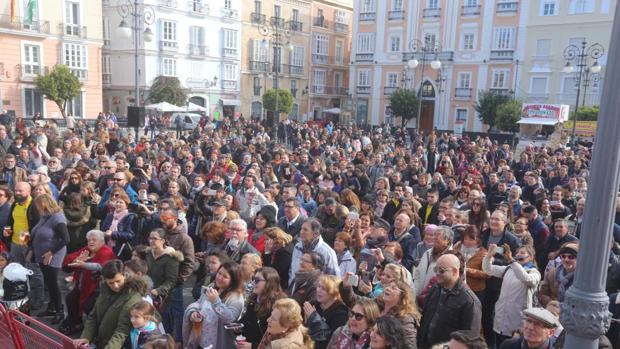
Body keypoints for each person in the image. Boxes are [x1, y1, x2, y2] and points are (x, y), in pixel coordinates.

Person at [74, 259, 148, 349]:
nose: (115, 286)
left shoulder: (133, 298)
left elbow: (122, 330)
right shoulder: (105, 290)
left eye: (118, 281)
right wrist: (86, 337)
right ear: (105, 280)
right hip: (99, 342)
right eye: (111, 283)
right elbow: (94, 316)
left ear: (125, 275)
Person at [417, 254, 482, 349]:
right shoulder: (435, 289)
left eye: (442, 270)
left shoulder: (469, 301)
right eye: (436, 270)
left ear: (455, 271)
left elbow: (470, 337)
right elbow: (425, 319)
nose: (437, 273)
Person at [482, 244, 541, 347]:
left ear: (531, 257)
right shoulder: (509, 268)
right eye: (517, 252)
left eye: (522, 253)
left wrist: (511, 260)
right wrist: (489, 255)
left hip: (517, 322)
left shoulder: (534, 272)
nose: (518, 255)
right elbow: (487, 269)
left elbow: (525, 278)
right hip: (500, 318)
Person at [60, 229, 116, 335]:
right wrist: (76, 260)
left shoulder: (106, 251)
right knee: (70, 298)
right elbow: (71, 258)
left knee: (87, 306)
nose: (91, 242)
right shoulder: (87, 250)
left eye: (94, 240)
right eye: (89, 240)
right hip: (82, 285)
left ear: (102, 241)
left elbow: (101, 266)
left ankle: (89, 330)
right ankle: (75, 322)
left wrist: (83, 264)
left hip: (98, 288)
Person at [182, 261, 244, 349]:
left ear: (233, 280)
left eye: (225, 276)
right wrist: (194, 312)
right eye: (219, 273)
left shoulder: (236, 297)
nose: (219, 277)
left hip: (218, 344)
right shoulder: (213, 286)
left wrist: (216, 302)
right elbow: (199, 303)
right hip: (201, 340)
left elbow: (230, 318)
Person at [29, 193, 69, 323]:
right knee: (48, 281)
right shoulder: (45, 216)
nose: (36, 208)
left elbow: (65, 239)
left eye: (38, 205)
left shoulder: (57, 218)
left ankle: (60, 310)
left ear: (45, 204)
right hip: (42, 254)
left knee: (53, 283)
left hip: (53, 255)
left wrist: (51, 252)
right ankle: (52, 307)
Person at [237, 267, 287, 349]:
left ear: (269, 283)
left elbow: (277, 338)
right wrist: (238, 328)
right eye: (253, 279)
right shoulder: (253, 299)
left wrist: (253, 346)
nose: (253, 283)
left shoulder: (277, 306)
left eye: (257, 280)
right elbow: (247, 321)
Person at [303, 275, 349, 349]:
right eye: (319, 286)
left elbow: (328, 341)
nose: (318, 290)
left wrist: (314, 319)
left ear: (333, 292)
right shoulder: (313, 305)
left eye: (323, 289)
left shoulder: (340, 314)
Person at [289, 218, 340, 283]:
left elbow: (334, 278)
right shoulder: (297, 246)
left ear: (315, 234)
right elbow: (291, 270)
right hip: (295, 290)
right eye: (301, 229)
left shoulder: (327, 252)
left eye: (305, 230)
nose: (301, 232)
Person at [144, 229, 181, 303]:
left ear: (162, 241)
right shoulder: (148, 253)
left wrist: (159, 291)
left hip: (161, 297)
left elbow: (171, 280)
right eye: (150, 238)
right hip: (146, 292)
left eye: (154, 238)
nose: (151, 241)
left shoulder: (171, 257)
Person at [538, 242, 578, 307]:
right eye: (563, 256)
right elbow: (542, 294)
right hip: (553, 311)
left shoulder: (582, 278)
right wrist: (550, 303)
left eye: (571, 257)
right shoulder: (552, 273)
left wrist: (562, 307)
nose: (566, 259)